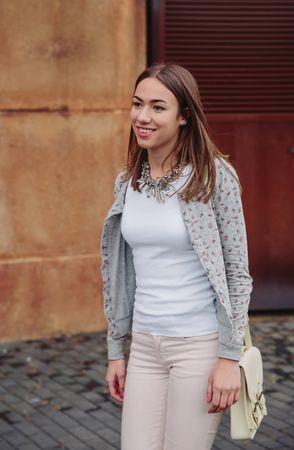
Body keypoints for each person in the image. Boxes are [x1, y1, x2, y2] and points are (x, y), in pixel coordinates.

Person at [100, 62, 253, 450]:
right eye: (137, 104)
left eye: (157, 107)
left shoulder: (213, 178)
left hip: (199, 346)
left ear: (184, 116)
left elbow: (237, 274)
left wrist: (229, 358)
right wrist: (117, 351)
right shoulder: (127, 182)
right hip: (146, 345)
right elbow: (120, 273)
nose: (142, 117)